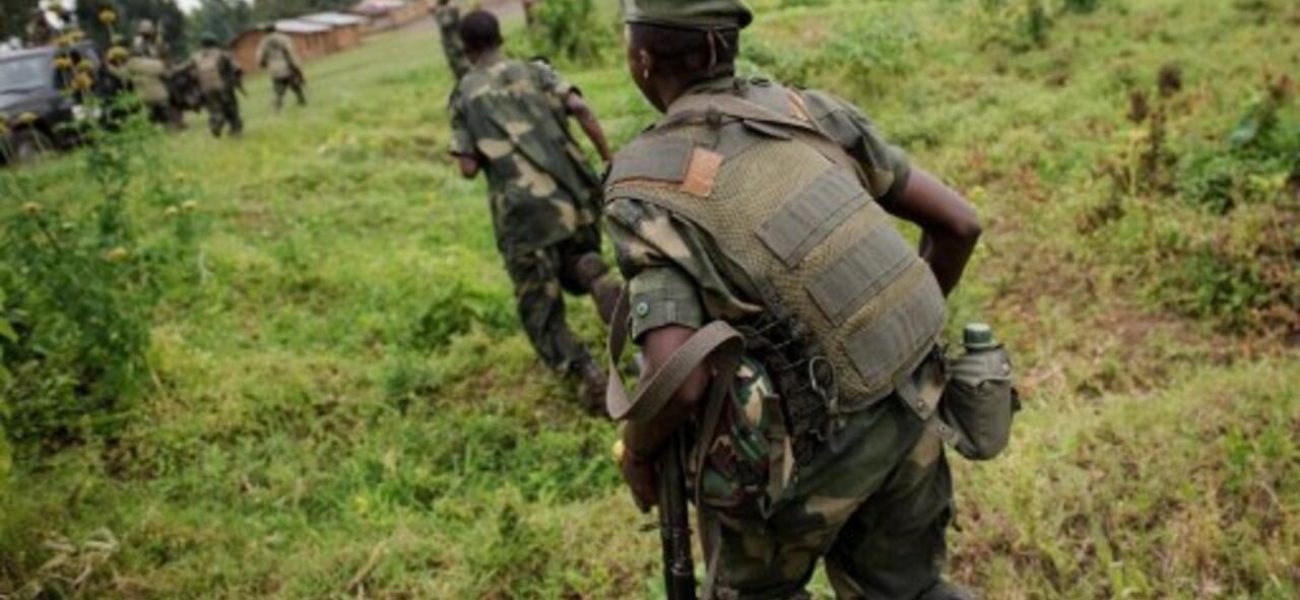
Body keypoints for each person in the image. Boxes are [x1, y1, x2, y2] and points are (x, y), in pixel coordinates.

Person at [606, 1, 984, 598]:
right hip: (915, 409)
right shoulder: (811, 112)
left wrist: (636, 452)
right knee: (909, 589)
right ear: (721, 47)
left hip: (796, 461)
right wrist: (886, 343)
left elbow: (677, 380)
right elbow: (960, 224)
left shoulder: (647, 185)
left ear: (643, 61)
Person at [446, 9, 620, 413]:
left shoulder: (464, 94)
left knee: (540, 308)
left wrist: (478, 150)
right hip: (574, 197)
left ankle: (586, 371)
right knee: (575, 258)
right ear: (500, 37)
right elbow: (581, 108)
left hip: (524, 217)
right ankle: (590, 273)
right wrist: (607, 158)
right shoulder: (537, 70)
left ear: (466, 48)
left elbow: (467, 168)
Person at [186, 33, 242, 138]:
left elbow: (188, 70)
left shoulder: (195, 56)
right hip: (222, 86)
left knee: (214, 109)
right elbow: (237, 68)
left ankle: (216, 124)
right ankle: (235, 129)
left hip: (206, 89)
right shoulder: (222, 53)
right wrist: (235, 80)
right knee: (231, 107)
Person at [255, 24, 307, 111]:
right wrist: (296, 66)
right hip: (287, 66)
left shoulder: (263, 42)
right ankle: (302, 102)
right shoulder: (284, 38)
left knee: (278, 90)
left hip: (274, 69)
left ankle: (277, 108)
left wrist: (264, 65)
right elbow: (290, 52)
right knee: (296, 86)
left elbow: (260, 58)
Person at [431, 0, 470, 80]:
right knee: (454, 64)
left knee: (461, 64)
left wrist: (435, 13)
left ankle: (466, 80)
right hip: (451, 42)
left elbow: (446, 23)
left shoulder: (447, 10)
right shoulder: (449, 9)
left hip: (454, 42)